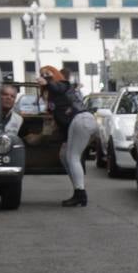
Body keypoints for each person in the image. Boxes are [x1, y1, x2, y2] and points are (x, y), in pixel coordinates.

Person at [40, 66, 100, 207]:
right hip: (79, 123)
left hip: (81, 120)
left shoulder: (63, 85)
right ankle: (78, 191)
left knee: (72, 157)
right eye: (42, 74)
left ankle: (81, 194)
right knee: (64, 155)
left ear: (55, 75)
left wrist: (47, 81)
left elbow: (56, 87)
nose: (44, 76)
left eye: (48, 74)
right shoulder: (54, 95)